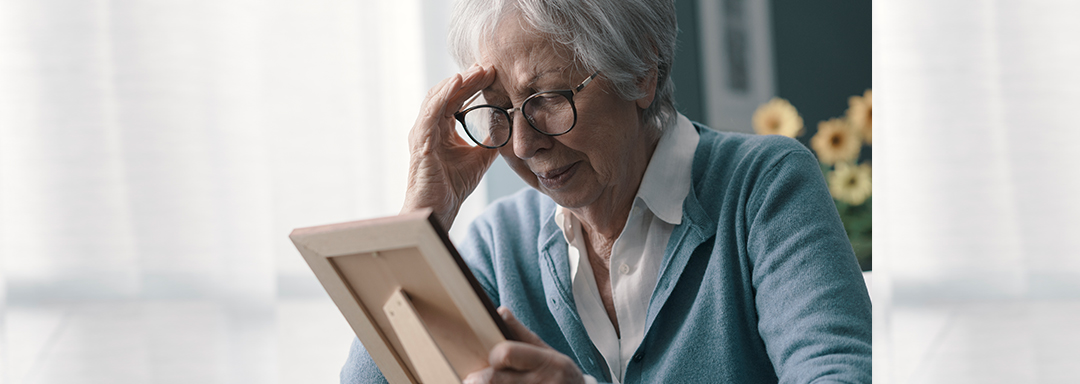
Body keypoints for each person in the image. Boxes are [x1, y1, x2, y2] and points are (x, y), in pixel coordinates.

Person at [342, 0, 872, 382]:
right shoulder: (497, 244)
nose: (523, 145)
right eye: (499, 110)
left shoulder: (762, 186)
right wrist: (422, 221)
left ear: (642, 71)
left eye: (546, 97)